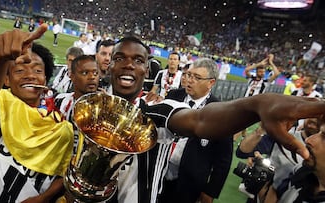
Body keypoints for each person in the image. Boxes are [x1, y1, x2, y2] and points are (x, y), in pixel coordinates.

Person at [103, 36, 325, 203]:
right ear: (109, 64)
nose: (129, 65)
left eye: (138, 60)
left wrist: (256, 105)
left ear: (147, 70)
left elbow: (201, 121)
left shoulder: (159, 109)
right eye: (119, 58)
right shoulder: (79, 105)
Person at [0, 25, 74, 202]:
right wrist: (0, 56)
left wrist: (44, 198)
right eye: (19, 70)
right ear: (6, 79)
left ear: (45, 80)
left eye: (38, 70)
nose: (30, 75)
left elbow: (62, 174)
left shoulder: (60, 126)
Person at [159, 58, 233, 203]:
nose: (189, 80)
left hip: (189, 184)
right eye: (188, 75)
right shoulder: (174, 95)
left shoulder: (220, 112)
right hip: (159, 172)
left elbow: (223, 158)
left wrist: (210, 191)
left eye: (197, 77)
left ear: (211, 83)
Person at [55, 54, 100, 153]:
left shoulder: (104, 108)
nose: (92, 77)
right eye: (85, 73)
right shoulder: (60, 101)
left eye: (95, 73)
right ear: (72, 76)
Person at [274, 118, 325, 202]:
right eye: (319, 132)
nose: (308, 140)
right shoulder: (301, 172)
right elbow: (276, 194)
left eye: (324, 137)